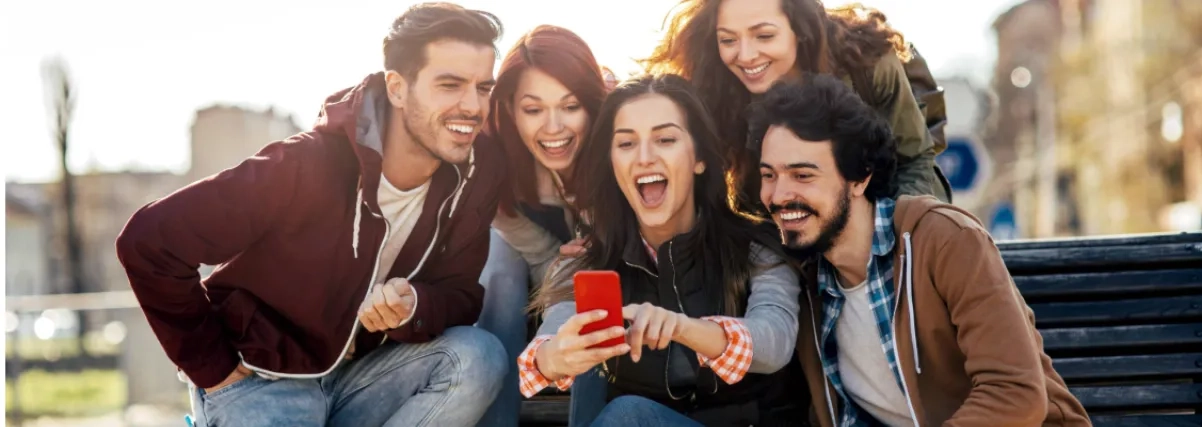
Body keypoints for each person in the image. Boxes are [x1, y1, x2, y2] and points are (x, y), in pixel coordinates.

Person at [115, 3, 509, 426]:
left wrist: (416, 305)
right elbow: (149, 242)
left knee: (477, 357)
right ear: (397, 87)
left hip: (365, 375)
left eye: (483, 88)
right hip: (262, 379)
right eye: (449, 85)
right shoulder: (306, 164)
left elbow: (461, 294)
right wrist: (216, 371)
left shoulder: (477, 171)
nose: (472, 107)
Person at [747, 74, 1090, 427]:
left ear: (859, 178)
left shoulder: (944, 240)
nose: (778, 195)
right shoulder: (808, 288)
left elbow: (1015, 394)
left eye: (802, 176)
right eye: (769, 175)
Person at [517, 74, 809, 426]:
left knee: (627, 415)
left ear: (699, 158)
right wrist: (556, 356)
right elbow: (542, 352)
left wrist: (682, 328)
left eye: (665, 139)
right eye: (626, 144)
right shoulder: (586, 262)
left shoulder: (757, 247)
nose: (644, 157)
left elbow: (774, 342)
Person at [644, 0, 952, 214]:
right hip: (780, 238)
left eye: (764, 35)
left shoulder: (867, 62)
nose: (746, 55)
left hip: (884, 214)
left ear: (799, 27)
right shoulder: (711, 92)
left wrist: (892, 236)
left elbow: (914, 160)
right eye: (728, 40)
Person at [475, 24, 609, 427]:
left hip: (611, 265)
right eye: (534, 110)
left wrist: (589, 252)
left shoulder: (619, 136)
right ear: (510, 110)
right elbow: (537, 255)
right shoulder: (494, 164)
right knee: (499, 257)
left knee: (595, 286)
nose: (553, 127)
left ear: (592, 102)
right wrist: (561, 268)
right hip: (541, 271)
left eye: (570, 107)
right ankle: (498, 418)